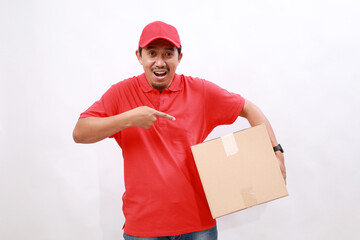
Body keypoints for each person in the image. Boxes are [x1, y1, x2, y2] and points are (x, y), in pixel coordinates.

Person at [73, 21, 286, 240]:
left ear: (179, 58)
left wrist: (276, 151)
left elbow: (248, 108)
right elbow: (80, 132)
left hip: (198, 225)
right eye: (152, 53)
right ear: (139, 56)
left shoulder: (199, 91)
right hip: (143, 228)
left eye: (168, 54)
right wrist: (130, 118)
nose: (159, 62)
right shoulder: (121, 93)